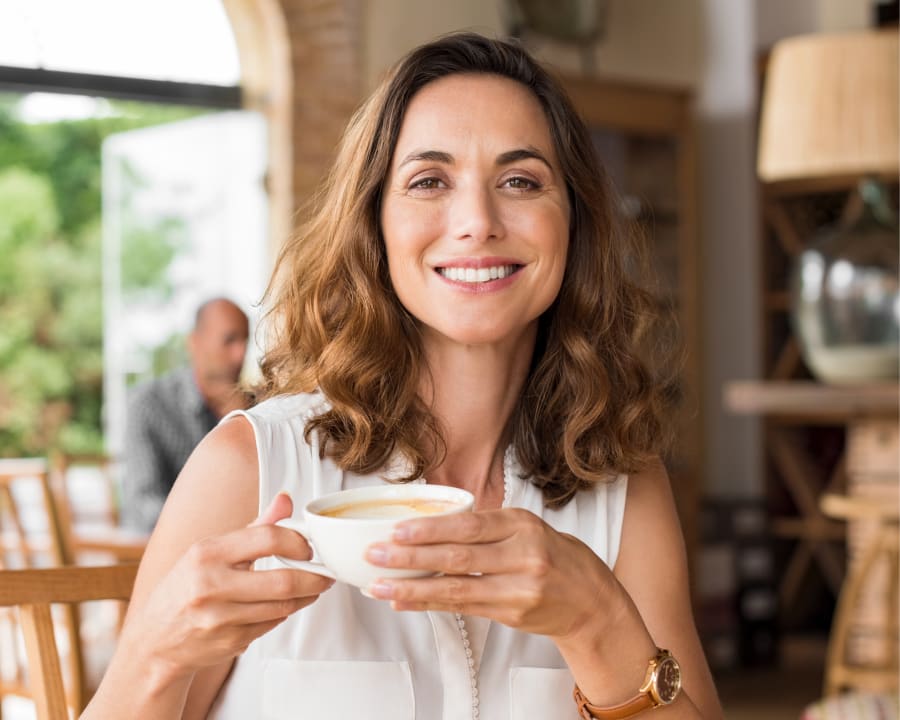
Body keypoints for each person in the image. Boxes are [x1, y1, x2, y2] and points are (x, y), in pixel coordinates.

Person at [86, 33, 722, 719]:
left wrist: (596, 621)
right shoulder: (249, 466)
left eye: (521, 180)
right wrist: (156, 654)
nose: (477, 222)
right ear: (374, 223)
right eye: (429, 182)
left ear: (573, 221)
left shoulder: (621, 483)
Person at [121, 297, 250, 532]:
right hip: (168, 554)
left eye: (245, 341)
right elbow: (144, 504)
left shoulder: (257, 408)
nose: (240, 354)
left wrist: (240, 420)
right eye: (229, 340)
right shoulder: (150, 405)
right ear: (195, 342)